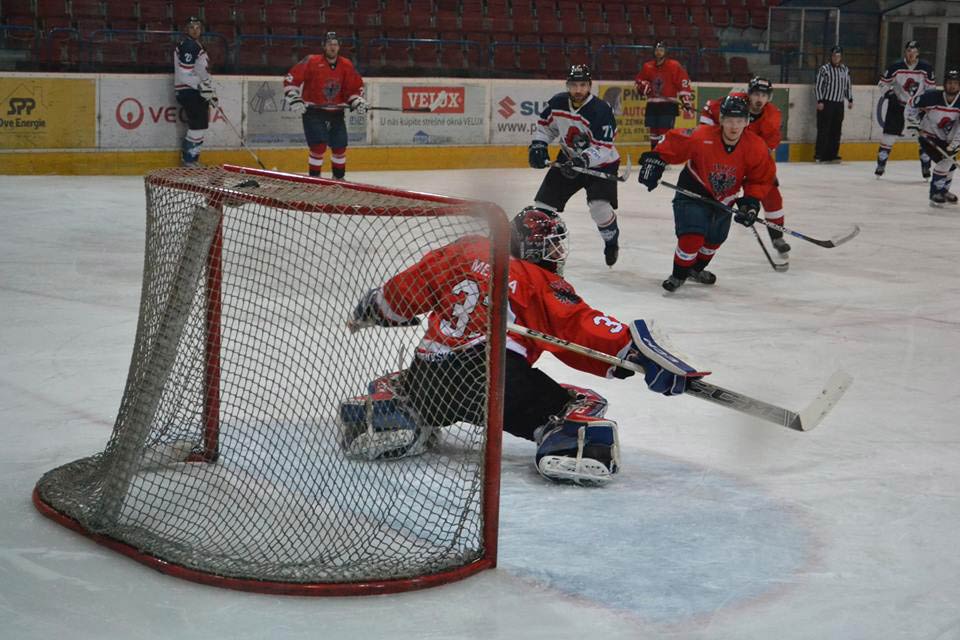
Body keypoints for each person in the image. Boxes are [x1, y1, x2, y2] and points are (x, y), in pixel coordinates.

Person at [343, 206, 696, 486]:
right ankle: (569, 442)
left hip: (429, 377)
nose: (557, 253)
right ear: (533, 247)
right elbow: (579, 325)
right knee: (580, 402)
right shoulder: (538, 279)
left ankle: (401, 415)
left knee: (402, 383)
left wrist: (377, 308)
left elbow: (409, 288)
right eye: (552, 245)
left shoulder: (463, 250)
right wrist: (632, 352)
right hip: (494, 382)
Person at [637, 95, 776, 291]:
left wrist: (750, 203)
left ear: (747, 122)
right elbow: (674, 141)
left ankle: (694, 269)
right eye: (729, 120)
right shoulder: (702, 136)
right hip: (693, 190)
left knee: (714, 240)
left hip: (725, 198)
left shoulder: (756, 147)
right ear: (721, 120)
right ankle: (679, 274)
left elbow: (759, 179)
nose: (734, 126)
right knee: (692, 236)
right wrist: (656, 160)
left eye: (739, 121)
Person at [528, 64, 622, 267]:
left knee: (599, 209)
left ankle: (611, 241)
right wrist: (539, 145)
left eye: (583, 85)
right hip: (569, 158)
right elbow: (545, 127)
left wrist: (583, 160)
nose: (578, 90)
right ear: (567, 85)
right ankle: (547, 251)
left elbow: (604, 147)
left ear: (589, 86)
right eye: (574, 85)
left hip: (601, 164)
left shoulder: (600, 110)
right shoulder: (557, 103)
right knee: (543, 206)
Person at [699, 77, 790, 256]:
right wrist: (707, 130)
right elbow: (710, 109)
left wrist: (763, 171)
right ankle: (701, 235)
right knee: (717, 194)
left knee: (771, 194)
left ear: (769, 97)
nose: (759, 99)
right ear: (749, 94)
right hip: (727, 158)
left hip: (753, 160)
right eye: (756, 94)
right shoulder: (735, 102)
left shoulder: (772, 116)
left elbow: (766, 149)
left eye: (763, 95)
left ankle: (777, 237)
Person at [283, 32, 367, 179]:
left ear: (339, 47)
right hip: (314, 111)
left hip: (336, 112)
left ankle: (339, 180)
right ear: (324, 46)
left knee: (340, 146)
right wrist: (294, 97)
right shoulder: (311, 61)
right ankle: (315, 180)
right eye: (329, 44)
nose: (332, 47)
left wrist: (356, 101)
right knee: (318, 146)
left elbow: (352, 89)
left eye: (335, 44)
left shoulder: (346, 64)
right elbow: (292, 79)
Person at [875, 40, 936, 178]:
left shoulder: (926, 68)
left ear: (918, 53)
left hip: (918, 108)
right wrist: (890, 94)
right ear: (905, 52)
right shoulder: (895, 66)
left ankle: (926, 167)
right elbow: (882, 83)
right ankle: (881, 164)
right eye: (908, 51)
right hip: (898, 105)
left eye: (914, 52)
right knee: (889, 136)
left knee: (924, 138)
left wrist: (927, 104)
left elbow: (931, 88)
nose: (911, 54)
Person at [907, 68, 960, 207]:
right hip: (928, 135)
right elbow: (912, 103)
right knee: (945, 162)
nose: (952, 86)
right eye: (949, 82)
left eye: (955, 83)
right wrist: (912, 123)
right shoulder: (932, 96)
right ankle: (935, 193)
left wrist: (955, 144)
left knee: (951, 165)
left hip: (948, 139)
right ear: (945, 84)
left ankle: (944, 191)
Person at [634, 42, 694, 151]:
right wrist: (642, 86)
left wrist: (686, 101)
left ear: (666, 51)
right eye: (657, 50)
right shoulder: (647, 66)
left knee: (664, 134)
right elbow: (639, 81)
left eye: (661, 50)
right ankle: (654, 155)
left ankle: (664, 156)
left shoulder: (674, 65)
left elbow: (683, 83)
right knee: (653, 135)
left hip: (668, 105)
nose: (659, 52)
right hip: (652, 104)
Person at [174, 17, 217, 167]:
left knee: (201, 125)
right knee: (197, 125)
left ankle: (192, 159)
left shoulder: (196, 45)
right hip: (189, 91)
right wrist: (202, 87)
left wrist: (210, 90)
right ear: (186, 29)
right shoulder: (189, 45)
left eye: (198, 27)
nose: (195, 30)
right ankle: (189, 160)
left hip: (196, 91)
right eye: (191, 27)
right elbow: (184, 75)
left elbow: (201, 72)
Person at [814, 45, 854, 163]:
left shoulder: (845, 69)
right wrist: (820, 100)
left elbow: (847, 85)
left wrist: (850, 99)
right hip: (827, 103)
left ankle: (832, 154)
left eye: (838, 56)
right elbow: (818, 86)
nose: (836, 58)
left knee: (836, 129)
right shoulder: (824, 69)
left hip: (839, 103)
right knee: (824, 129)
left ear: (841, 57)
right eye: (834, 56)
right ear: (830, 57)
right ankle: (820, 154)